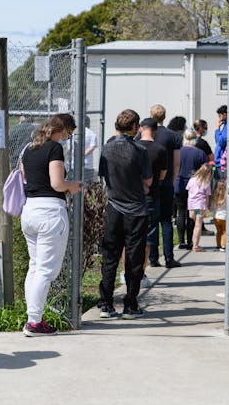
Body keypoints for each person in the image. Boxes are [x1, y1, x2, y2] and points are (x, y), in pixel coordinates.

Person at [20, 115, 82, 336]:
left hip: (29, 210)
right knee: (46, 270)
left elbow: (25, 176)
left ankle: (33, 317)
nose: (67, 138)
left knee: (35, 266)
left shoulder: (28, 148)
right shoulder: (54, 148)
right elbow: (56, 183)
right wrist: (71, 186)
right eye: (69, 133)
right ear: (62, 129)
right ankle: (34, 322)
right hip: (50, 212)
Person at [98, 109, 152, 319]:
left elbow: (104, 177)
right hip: (136, 210)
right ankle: (130, 304)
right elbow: (147, 181)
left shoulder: (106, 149)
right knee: (133, 257)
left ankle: (106, 304)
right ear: (134, 127)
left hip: (114, 207)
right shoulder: (140, 151)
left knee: (110, 255)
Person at [147, 104, 182, 268]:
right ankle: (169, 258)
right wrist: (172, 180)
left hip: (150, 183)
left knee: (152, 221)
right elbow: (176, 163)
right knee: (166, 221)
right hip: (167, 182)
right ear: (164, 116)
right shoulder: (173, 136)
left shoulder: (147, 134)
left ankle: (153, 258)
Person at [135, 118, 167, 286]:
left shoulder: (134, 147)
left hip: (131, 196)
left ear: (140, 128)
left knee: (130, 236)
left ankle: (126, 272)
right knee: (148, 237)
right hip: (151, 196)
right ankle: (141, 274)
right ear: (156, 130)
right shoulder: (160, 150)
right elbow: (162, 175)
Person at [174, 129, 207, 250]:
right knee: (193, 214)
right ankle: (191, 241)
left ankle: (181, 241)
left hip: (179, 184)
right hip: (196, 188)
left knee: (181, 213)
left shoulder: (178, 152)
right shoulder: (200, 153)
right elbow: (206, 171)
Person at [186, 163, 213, 252]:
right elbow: (207, 197)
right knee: (198, 226)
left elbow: (189, 191)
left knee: (195, 224)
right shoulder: (206, 182)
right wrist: (207, 207)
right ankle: (196, 246)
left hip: (191, 205)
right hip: (200, 206)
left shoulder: (192, 180)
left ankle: (194, 243)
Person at [211, 179, 227, 251]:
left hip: (216, 217)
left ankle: (218, 245)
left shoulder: (214, 196)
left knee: (218, 232)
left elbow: (211, 207)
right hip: (224, 217)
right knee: (224, 232)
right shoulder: (226, 197)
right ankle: (223, 246)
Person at [83, 116, 98, 182]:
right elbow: (92, 147)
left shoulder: (74, 133)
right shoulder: (91, 133)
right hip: (88, 164)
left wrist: (77, 155)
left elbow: (69, 146)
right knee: (87, 185)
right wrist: (83, 154)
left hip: (73, 164)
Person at [214, 105, 228, 173]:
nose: (219, 118)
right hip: (221, 160)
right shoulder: (226, 125)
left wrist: (217, 129)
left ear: (225, 114)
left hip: (223, 161)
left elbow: (220, 142)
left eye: (220, 116)